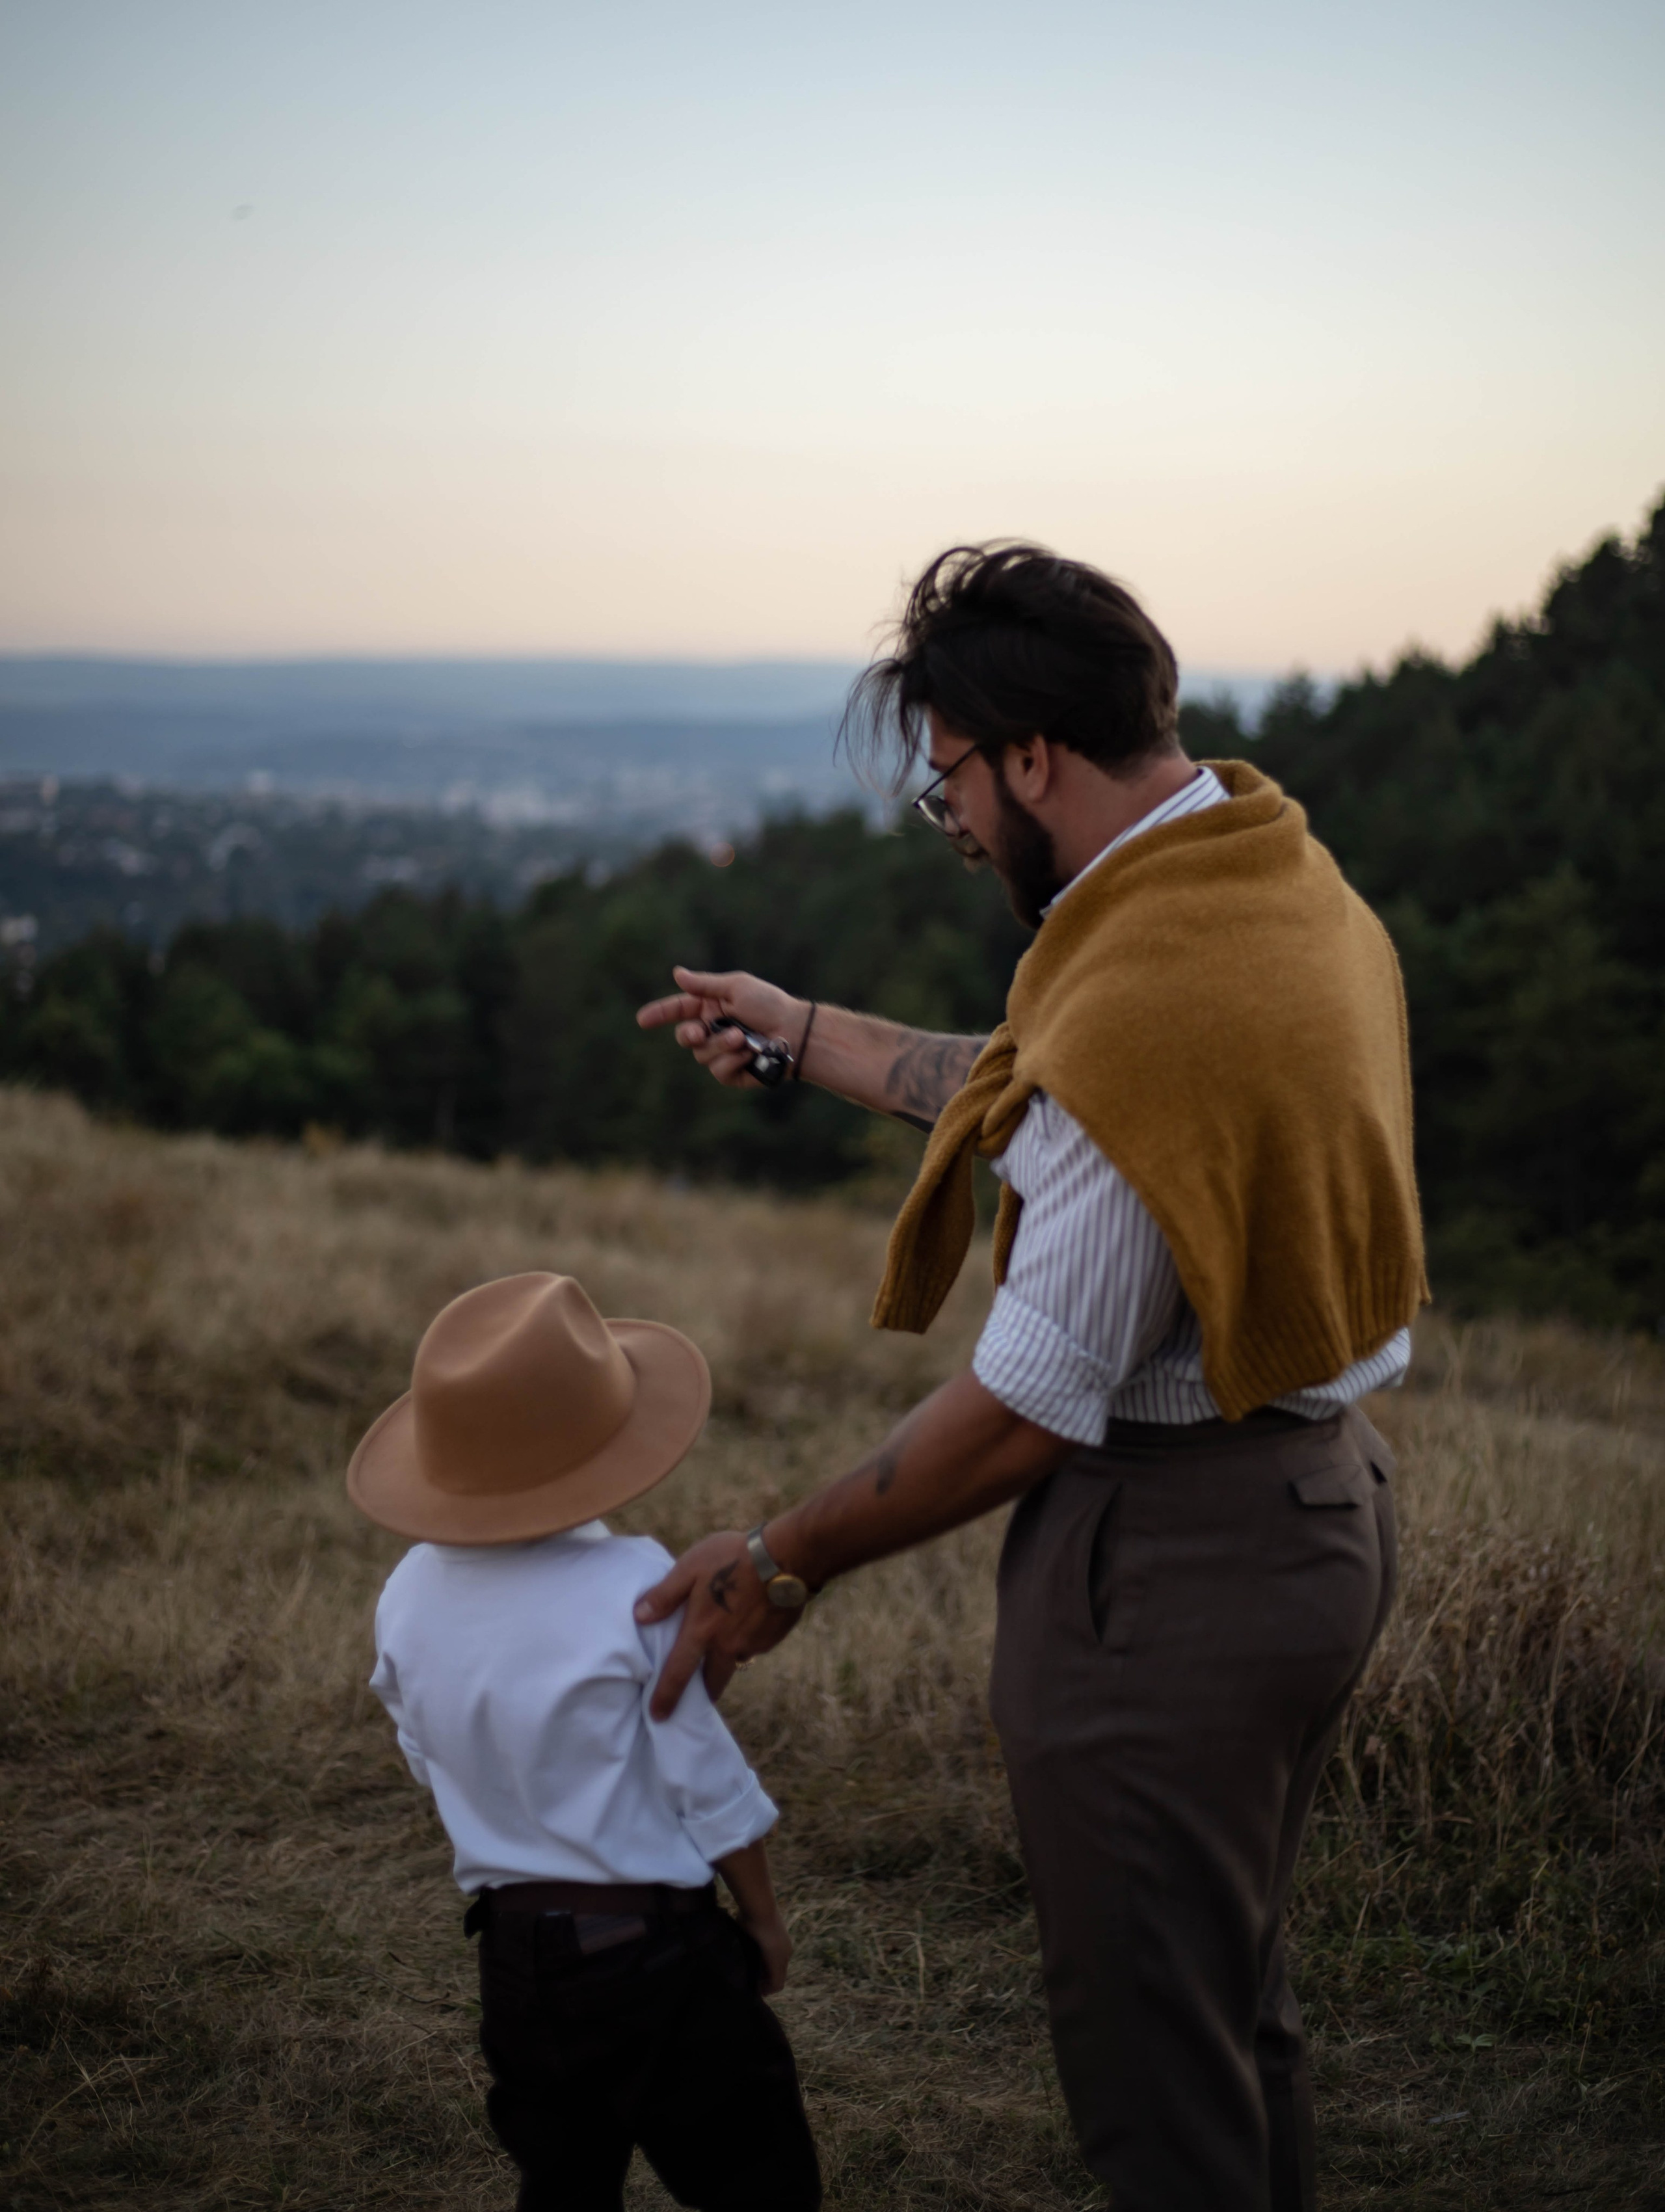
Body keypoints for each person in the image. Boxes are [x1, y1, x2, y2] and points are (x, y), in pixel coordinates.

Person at [633, 543, 1424, 2212]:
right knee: (1230, 2019)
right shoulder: (1263, 875)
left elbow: (1019, 1407)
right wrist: (800, 1028)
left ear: (1031, 757)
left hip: (1175, 1574)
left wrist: (777, 1562)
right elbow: (1026, 1093)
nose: (959, 829)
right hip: (1319, 1507)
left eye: (952, 791)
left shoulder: (1146, 997)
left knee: (1152, 2077)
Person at [347, 1269, 821, 2212]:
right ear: (605, 1439)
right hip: (653, 1952)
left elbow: (425, 1748)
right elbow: (703, 1776)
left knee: (563, 2182)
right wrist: (762, 1916)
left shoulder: (406, 1591)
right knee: (760, 2181)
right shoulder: (635, 1584)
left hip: (516, 1960)